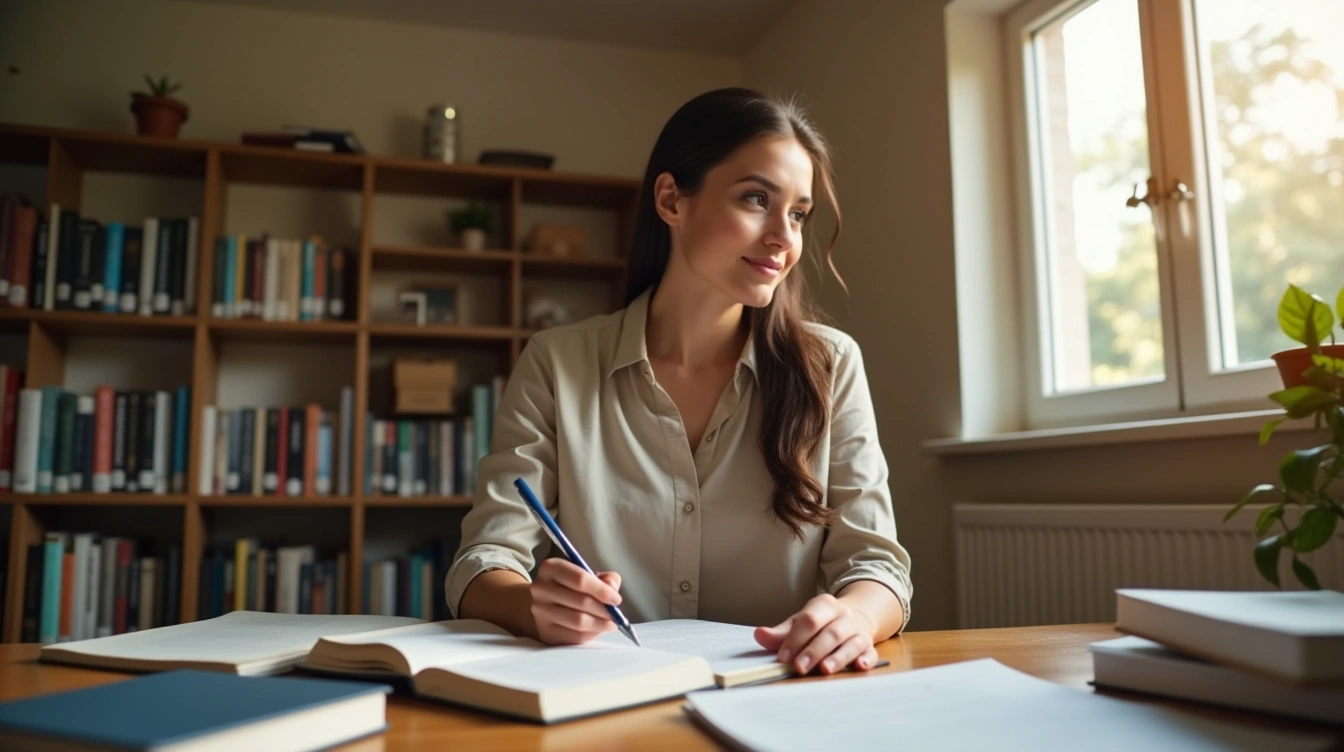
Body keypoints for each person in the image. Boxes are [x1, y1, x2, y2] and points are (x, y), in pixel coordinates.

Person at [446, 87, 911, 677]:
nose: (784, 238)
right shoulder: (556, 362)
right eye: (755, 199)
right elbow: (484, 558)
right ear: (671, 199)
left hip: (777, 693)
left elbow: (877, 568)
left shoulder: (832, 365)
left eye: (798, 214)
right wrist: (530, 603)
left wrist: (852, 618)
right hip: (601, 695)